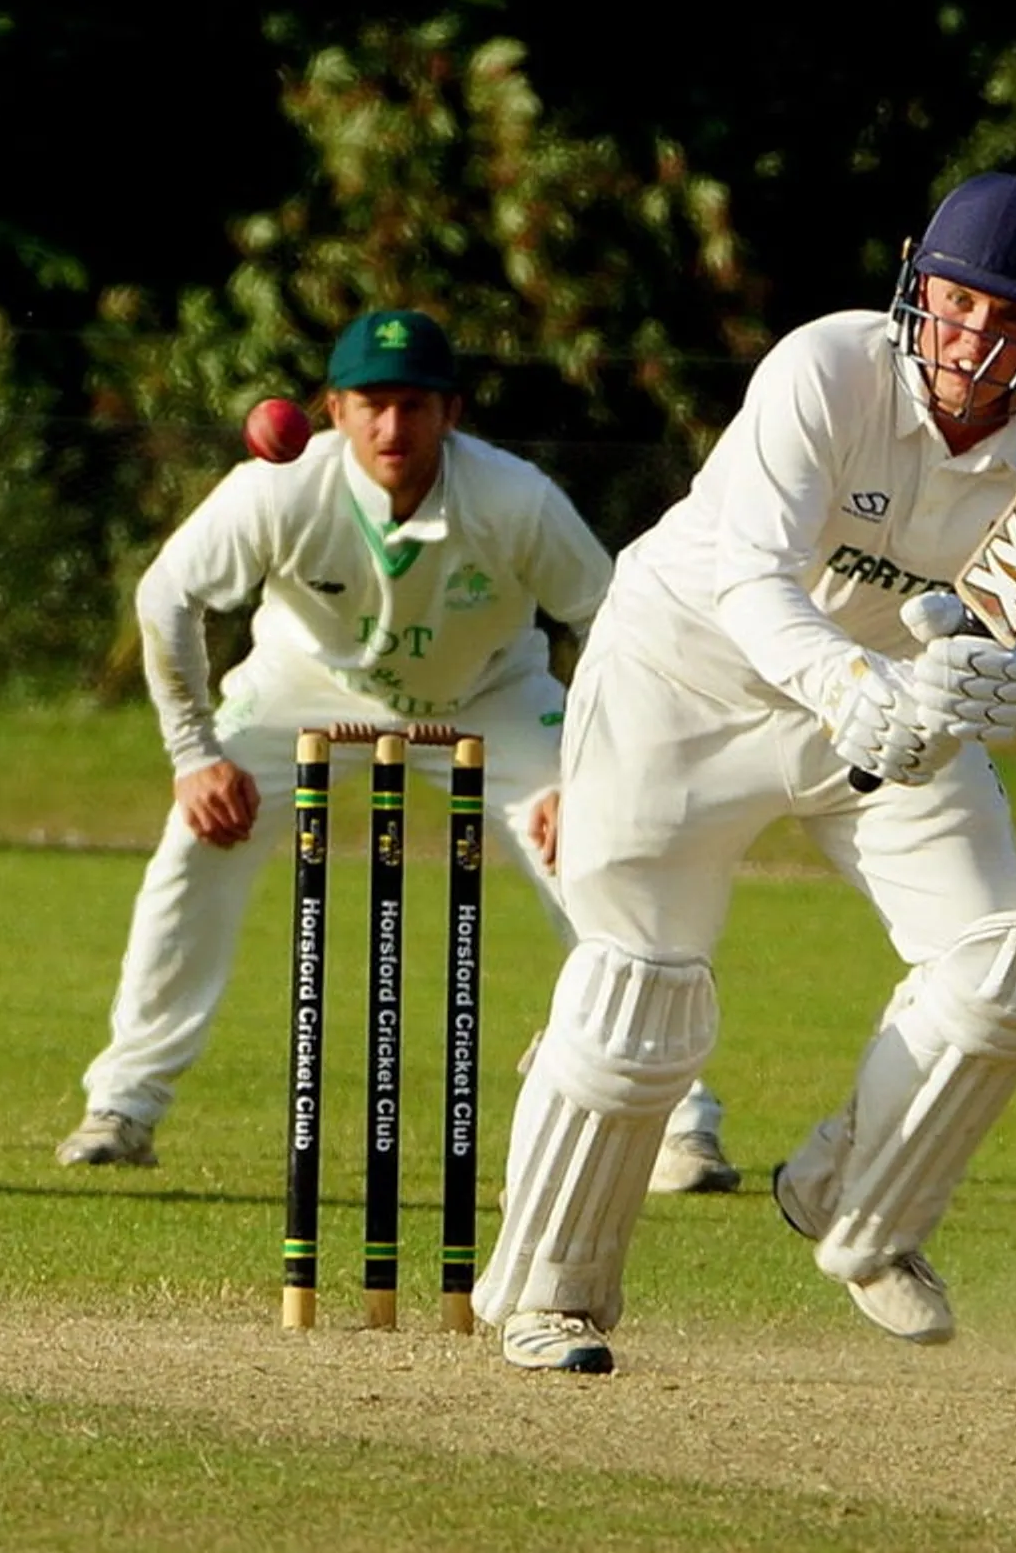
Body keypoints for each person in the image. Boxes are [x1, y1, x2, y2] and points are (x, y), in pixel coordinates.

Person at [472, 172, 1016, 1375]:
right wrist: (847, 689)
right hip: (686, 679)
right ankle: (548, 1293)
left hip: (894, 718)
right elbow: (751, 577)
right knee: (639, 992)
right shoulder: (826, 369)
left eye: (1009, 320)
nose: (972, 344)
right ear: (915, 284)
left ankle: (857, 1201)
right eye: (955, 305)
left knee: (1005, 970)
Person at [55, 308, 739, 1197]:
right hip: (305, 684)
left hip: (490, 695)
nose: (392, 428)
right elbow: (166, 598)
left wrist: (592, 777)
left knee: (607, 860)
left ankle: (682, 1121)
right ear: (333, 409)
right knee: (196, 850)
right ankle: (123, 1106)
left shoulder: (514, 498)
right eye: (371, 404)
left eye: (413, 406)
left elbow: (612, 624)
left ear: (450, 414)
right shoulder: (279, 489)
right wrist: (194, 754)